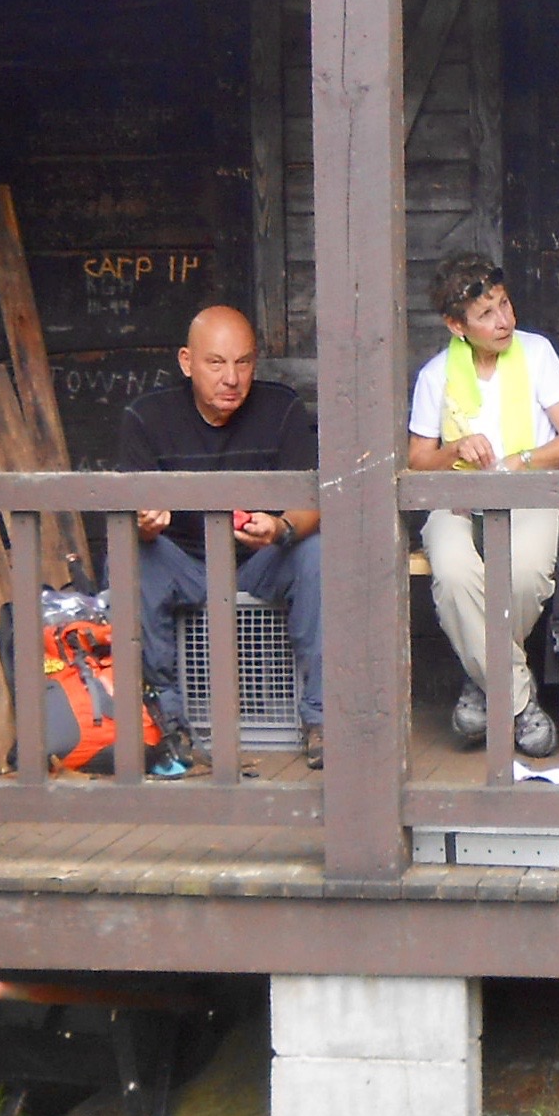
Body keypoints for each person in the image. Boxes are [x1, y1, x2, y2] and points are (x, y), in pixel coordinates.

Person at [116, 305, 327, 772]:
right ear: (187, 362)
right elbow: (130, 510)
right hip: (183, 565)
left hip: (260, 559)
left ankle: (321, 720)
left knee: (319, 552)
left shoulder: (281, 407)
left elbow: (313, 502)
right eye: (216, 363)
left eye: (244, 362)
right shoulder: (147, 416)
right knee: (132, 558)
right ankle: (170, 722)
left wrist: (281, 527)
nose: (231, 378)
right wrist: (144, 523)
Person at [407, 253, 559, 757]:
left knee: (529, 571)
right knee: (451, 568)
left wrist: (520, 460)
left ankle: (482, 683)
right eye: (486, 314)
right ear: (456, 326)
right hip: (458, 497)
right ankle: (516, 698)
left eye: (504, 305)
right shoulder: (436, 374)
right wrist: (454, 451)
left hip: (528, 493)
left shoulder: (536, 354)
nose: (503, 321)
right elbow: (418, 461)